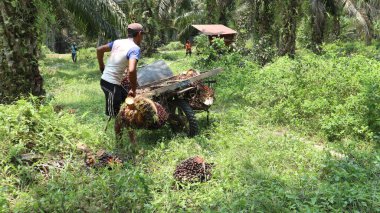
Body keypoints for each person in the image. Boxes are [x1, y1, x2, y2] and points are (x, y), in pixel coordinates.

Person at [97, 23, 144, 117]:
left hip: (112, 82)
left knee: (126, 101)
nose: (142, 38)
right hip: (110, 84)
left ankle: (128, 128)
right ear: (139, 34)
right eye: (142, 35)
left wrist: (102, 66)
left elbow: (99, 49)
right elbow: (131, 70)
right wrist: (133, 89)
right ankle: (117, 130)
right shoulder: (135, 49)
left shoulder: (118, 42)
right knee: (115, 114)